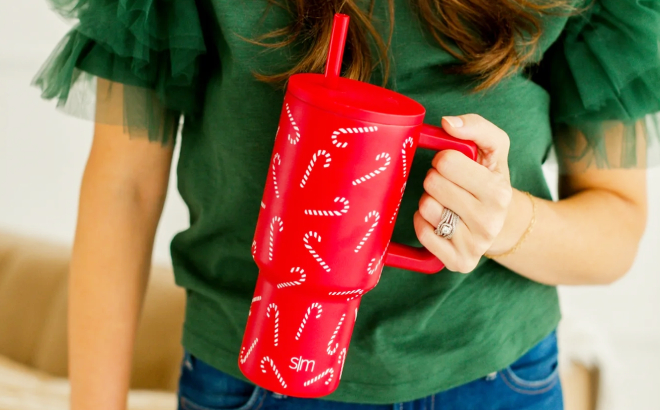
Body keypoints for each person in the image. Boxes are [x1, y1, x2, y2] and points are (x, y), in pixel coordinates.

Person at [34, 0, 660, 409]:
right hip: (247, 379)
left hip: (496, 380)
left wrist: (507, 222)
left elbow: (616, 227)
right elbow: (125, 188)